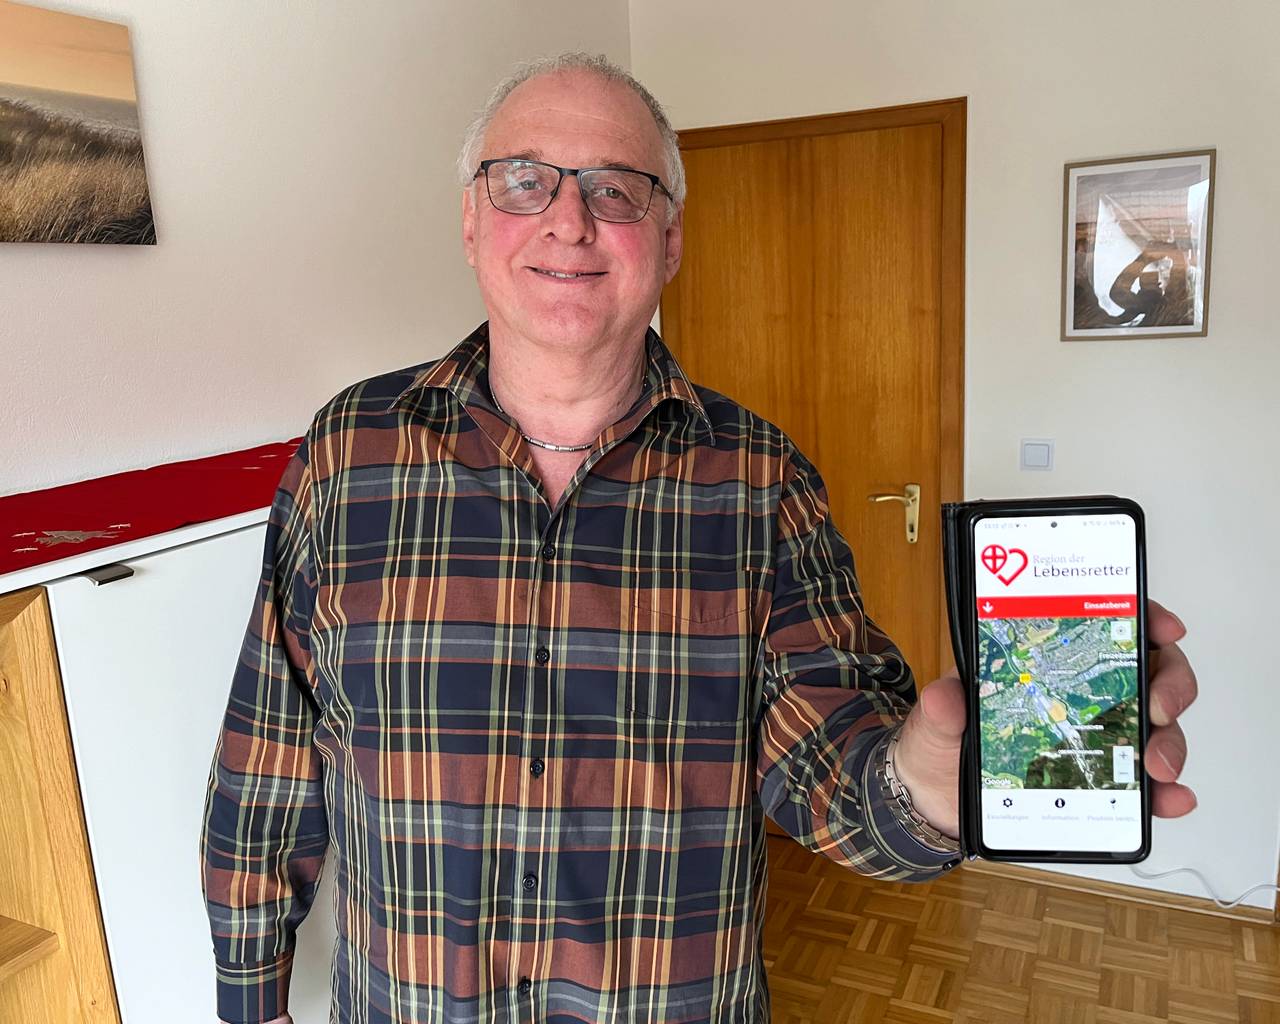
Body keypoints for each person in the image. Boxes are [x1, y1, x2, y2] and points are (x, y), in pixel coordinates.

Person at [200, 52, 1199, 1024]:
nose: (568, 219)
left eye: (616, 189)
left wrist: (927, 786)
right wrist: (249, 993)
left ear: (670, 241)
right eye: (524, 180)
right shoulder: (349, 453)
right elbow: (268, 754)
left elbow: (831, 766)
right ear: (470, 220)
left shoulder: (760, 480)